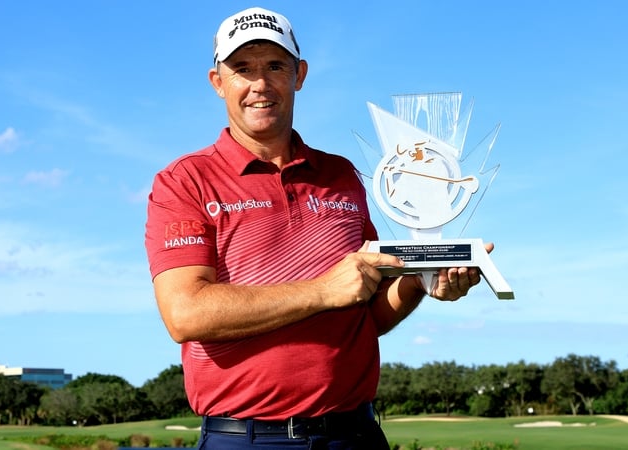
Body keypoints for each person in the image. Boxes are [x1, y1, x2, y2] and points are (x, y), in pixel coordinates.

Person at [144, 7, 490, 449]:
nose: (260, 85)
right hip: (246, 438)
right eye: (242, 69)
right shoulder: (184, 180)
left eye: (275, 66)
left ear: (299, 75)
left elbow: (364, 314)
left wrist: (422, 280)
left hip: (355, 433)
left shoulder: (341, 175)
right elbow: (186, 313)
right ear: (218, 82)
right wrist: (323, 289)